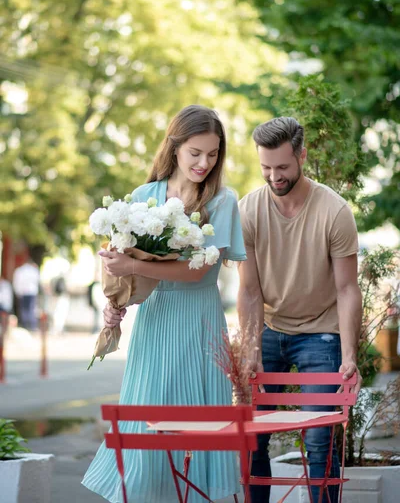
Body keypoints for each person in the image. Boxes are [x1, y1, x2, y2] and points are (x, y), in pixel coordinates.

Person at [82, 105, 247, 503]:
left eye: (213, 154)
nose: (204, 163)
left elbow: (195, 272)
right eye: (196, 153)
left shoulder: (222, 200)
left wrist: (135, 263)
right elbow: (130, 273)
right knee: (146, 420)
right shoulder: (143, 198)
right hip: (156, 321)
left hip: (200, 319)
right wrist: (116, 302)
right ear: (175, 147)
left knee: (199, 426)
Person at [237, 117, 362, 503]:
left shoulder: (334, 212)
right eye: (266, 167)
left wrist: (348, 355)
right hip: (271, 327)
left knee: (321, 437)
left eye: (283, 167)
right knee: (254, 433)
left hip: (320, 331)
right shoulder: (249, 211)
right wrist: (251, 348)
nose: (274, 176)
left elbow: (346, 289)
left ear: (302, 156)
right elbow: (250, 290)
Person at [12, 258, 40, 330]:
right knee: (31, 309)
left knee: (24, 309)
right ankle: (31, 326)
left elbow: (16, 282)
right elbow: (37, 281)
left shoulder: (19, 270)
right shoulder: (34, 270)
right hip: (31, 292)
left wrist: (17, 291)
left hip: (23, 292)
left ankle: (25, 325)